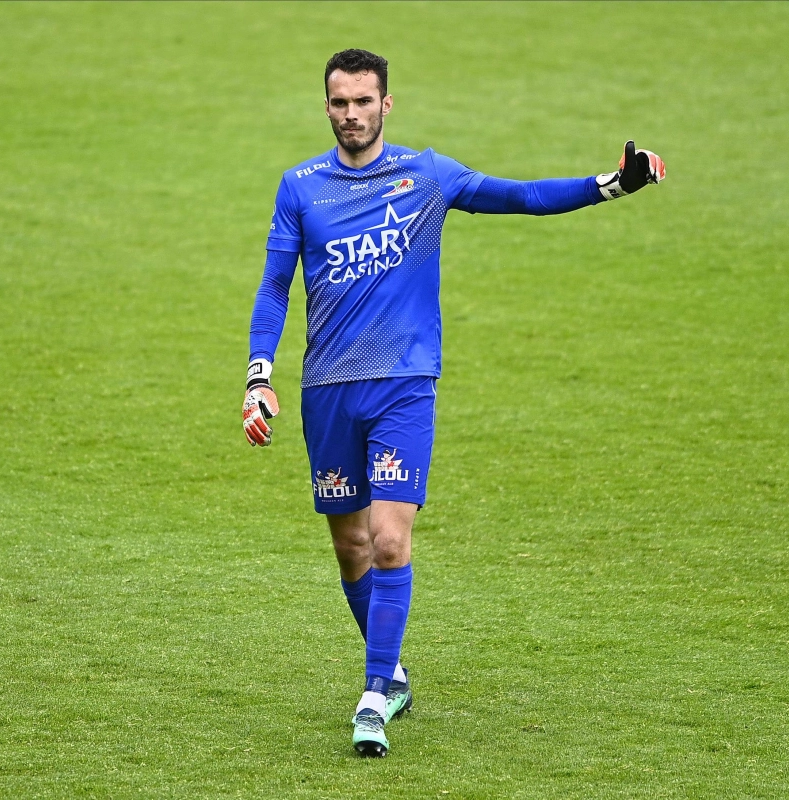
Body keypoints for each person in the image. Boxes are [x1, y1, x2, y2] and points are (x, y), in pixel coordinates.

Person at [242, 48, 665, 758]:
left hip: (406, 384)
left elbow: (521, 196)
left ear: (387, 104)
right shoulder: (300, 188)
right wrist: (259, 376)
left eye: (363, 101)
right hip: (327, 391)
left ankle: (374, 695)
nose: (352, 114)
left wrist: (612, 185)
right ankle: (395, 672)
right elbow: (275, 286)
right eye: (339, 103)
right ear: (326, 107)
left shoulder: (426, 176)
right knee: (349, 548)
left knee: (388, 538)